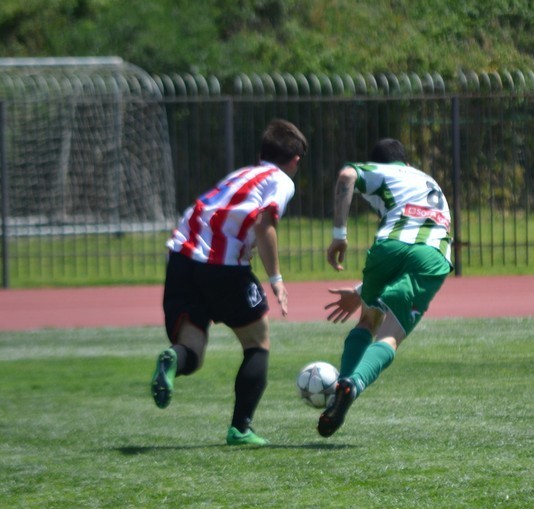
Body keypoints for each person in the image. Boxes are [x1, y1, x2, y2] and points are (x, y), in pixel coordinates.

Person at [150, 118, 307, 446]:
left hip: (181, 258)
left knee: (192, 351)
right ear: (295, 161)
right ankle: (240, 428)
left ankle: (173, 359)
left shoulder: (240, 174)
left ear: (261, 155)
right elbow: (265, 224)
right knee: (257, 343)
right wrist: (276, 279)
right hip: (221, 265)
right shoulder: (281, 180)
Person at [317, 138, 453, 438]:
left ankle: (343, 383)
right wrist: (359, 291)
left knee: (368, 321)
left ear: (378, 163)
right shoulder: (428, 180)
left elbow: (347, 175)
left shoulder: (383, 172)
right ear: (407, 162)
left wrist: (339, 234)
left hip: (388, 247)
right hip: (430, 253)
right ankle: (352, 385)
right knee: (390, 336)